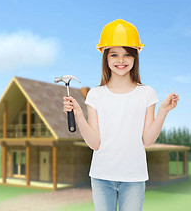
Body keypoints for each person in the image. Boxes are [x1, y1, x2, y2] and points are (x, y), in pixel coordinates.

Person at [63, 19, 179, 211]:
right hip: (101, 177)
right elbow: (95, 143)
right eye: (114, 54)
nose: (121, 60)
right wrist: (78, 114)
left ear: (135, 57)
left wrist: (163, 112)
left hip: (134, 178)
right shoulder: (95, 95)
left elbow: (147, 140)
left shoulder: (146, 93)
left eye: (127, 54)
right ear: (106, 58)